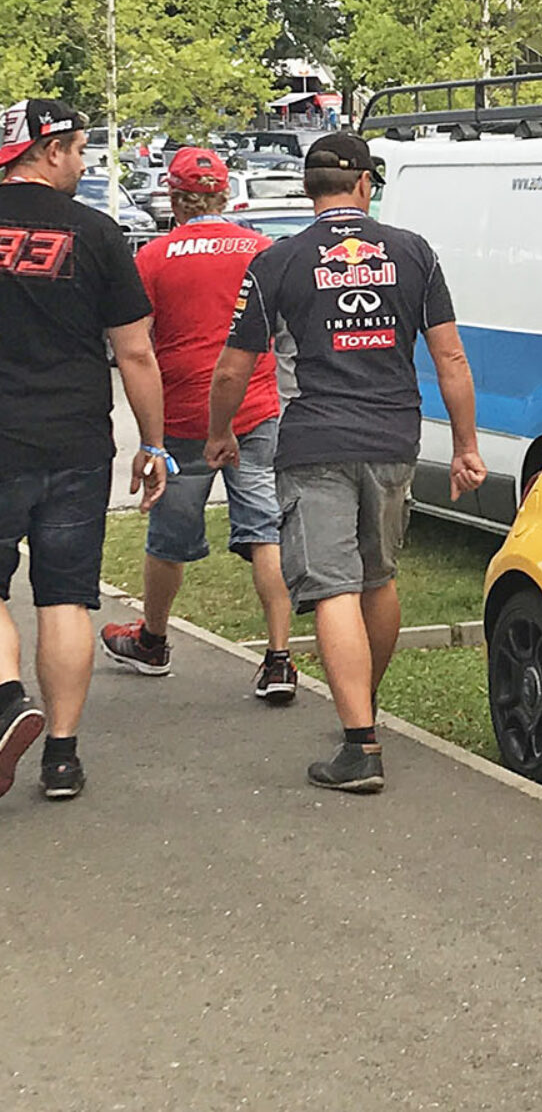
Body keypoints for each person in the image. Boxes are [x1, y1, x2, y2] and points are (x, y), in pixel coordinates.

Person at [205, 132, 485, 794]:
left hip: (313, 441)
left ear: (310, 188)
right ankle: (365, 710)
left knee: (331, 586)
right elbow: (451, 357)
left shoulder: (279, 260)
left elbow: (234, 366)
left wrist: (220, 432)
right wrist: (467, 445)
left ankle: (359, 742)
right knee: (376, 579)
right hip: (393, 438)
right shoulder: (414, 252)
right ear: (363, 185)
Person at [0, 98, 168, 800]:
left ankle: (8, 698)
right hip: (77, 439)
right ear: (49, 149)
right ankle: (61, 757)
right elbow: (135, 352)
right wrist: (153, 444)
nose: (83, 163)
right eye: (78, 150)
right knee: (66, 598)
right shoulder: (98, 234)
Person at [100, 148, 297, 703]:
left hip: (182, 412)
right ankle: (279, 659)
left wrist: (150, 439)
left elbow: (136, 346)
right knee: (266, 531)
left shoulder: (154, 257)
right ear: (225, 194)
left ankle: (154, 640)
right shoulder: (261, 250)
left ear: (175, 197)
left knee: (169, 535)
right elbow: (283, 332)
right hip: (254, 408)